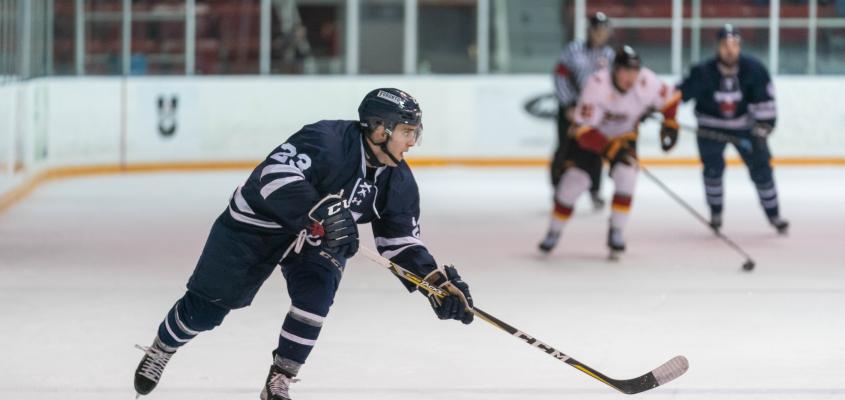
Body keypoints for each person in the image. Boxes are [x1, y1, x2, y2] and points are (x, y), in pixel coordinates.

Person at [133, 88, 475, 400]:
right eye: (407, 131)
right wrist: (321, 208)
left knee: (316, 299)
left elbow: (400, 241)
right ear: (379, 129)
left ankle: (279, 379)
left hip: (316, 239)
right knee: (207, 309)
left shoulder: (397, 178)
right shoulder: (326, 139)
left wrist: (434, 282)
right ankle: (162, 347)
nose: (412, 142)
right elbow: (272, 177)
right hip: (257, 224)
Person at [538, 46, 681, 259]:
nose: (630, 77)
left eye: (634, 71)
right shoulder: (597, 84)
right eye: (625, 70)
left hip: (624, 137)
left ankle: (616, 232)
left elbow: (671, 97)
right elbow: (584, 131)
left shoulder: (646, 81)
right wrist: (609, 148)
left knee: (627, 175)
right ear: (614, 69)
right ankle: (554, 231)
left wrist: (670, 121)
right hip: (590, 138)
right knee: (574, 183)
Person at [672, 24, 789, 234]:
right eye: (725, 44)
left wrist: (763, 129)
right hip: (710, 128)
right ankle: (716, 213)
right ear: (717, 46)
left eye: (734, 44)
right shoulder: (702, 71)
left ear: (740, 46)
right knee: (712, 171)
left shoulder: (754, 69)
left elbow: (766, 101)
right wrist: (664, 112)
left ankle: (774, 215)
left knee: (762, 169)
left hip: (745, 128)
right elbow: (678, 95)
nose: (730, 49)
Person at [551, 11, 615, 210]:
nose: (600, 34)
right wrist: (569, 105)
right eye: (597, 30)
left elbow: (613, 85)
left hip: (595, 113)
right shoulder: (573, 50)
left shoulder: (610, 55)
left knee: (595, 150)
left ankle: (595, 190)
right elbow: (560, 76)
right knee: (565, 149)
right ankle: (558, 189)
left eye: (604, 30)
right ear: (590, 30)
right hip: (570, 110)